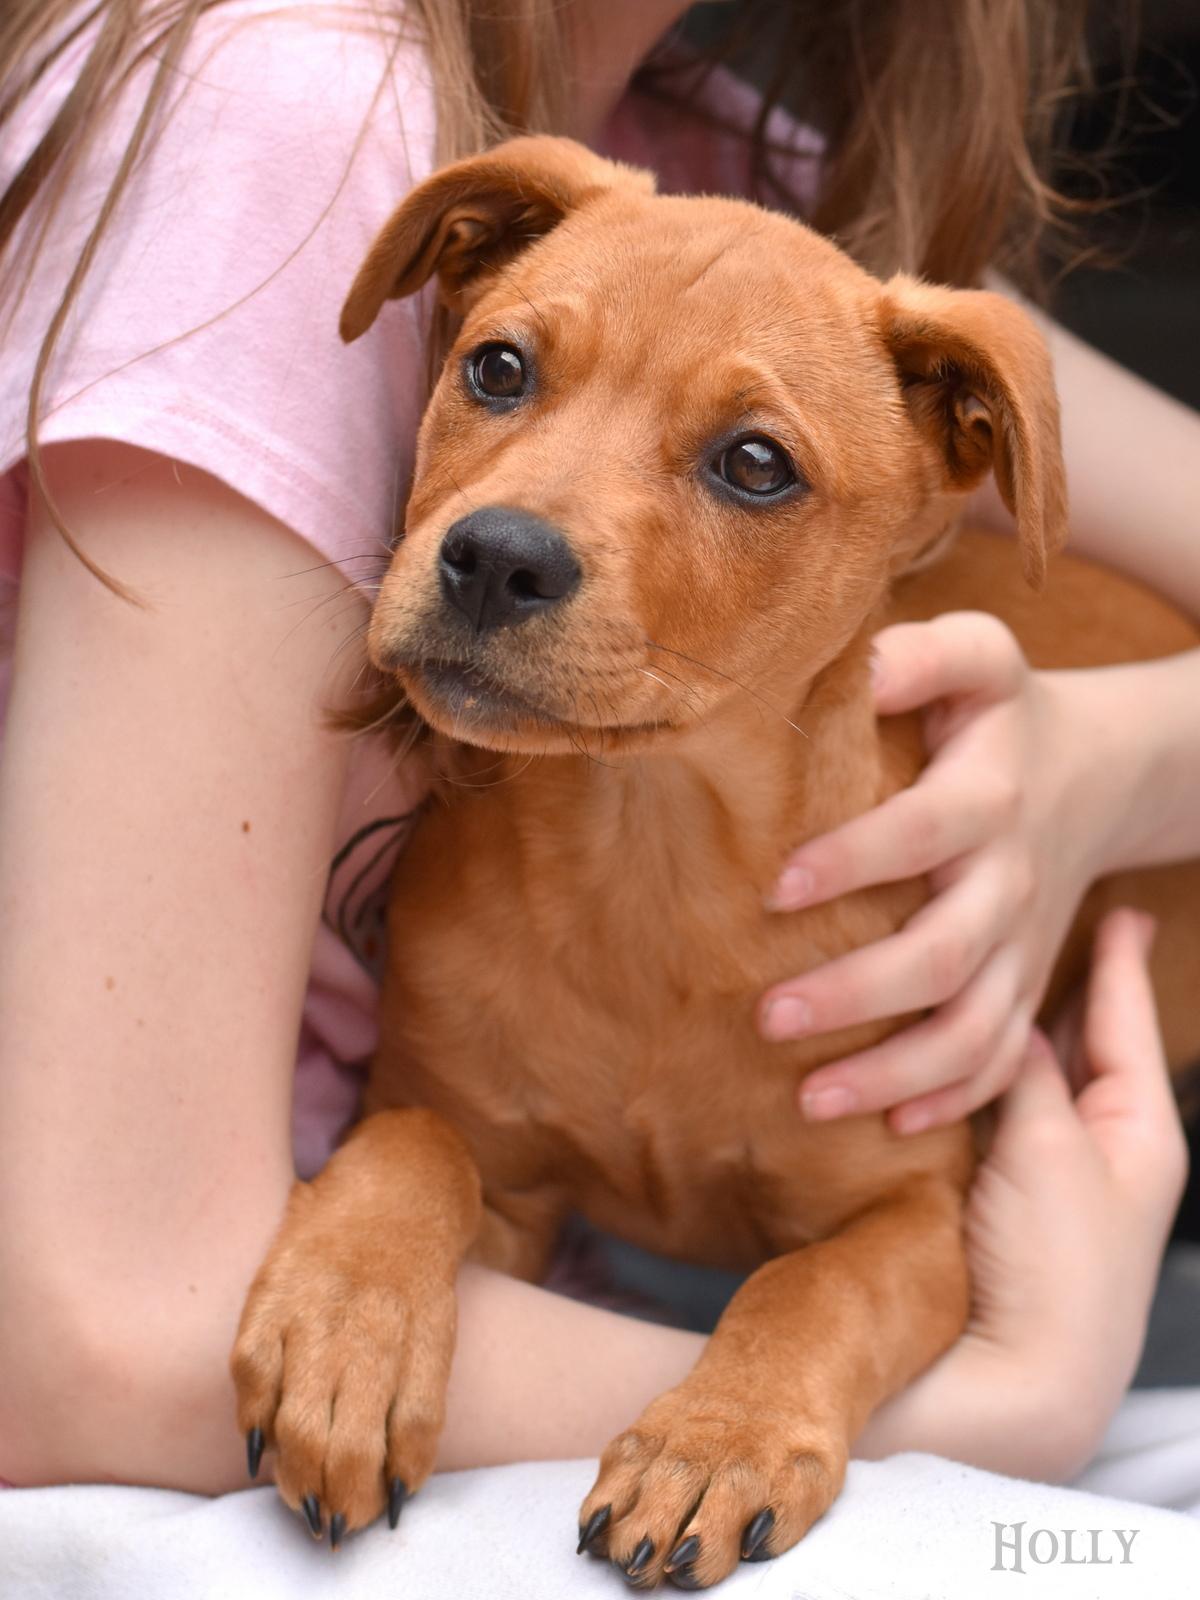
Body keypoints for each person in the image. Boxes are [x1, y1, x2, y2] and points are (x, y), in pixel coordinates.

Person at [0, 0, 1193, 1509]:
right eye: (501, 374)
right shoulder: (294, 113)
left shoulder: (774, 185)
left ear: (961, 471)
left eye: (748, 465)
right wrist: (1004, 1408)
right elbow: (109, 1331)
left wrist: (1122, 759)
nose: (519, 529)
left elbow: (899, 1227)